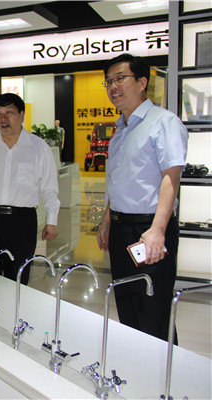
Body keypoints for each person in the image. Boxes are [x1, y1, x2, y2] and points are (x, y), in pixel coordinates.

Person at [96, 53, 188, 342]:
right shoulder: (120, 131)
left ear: (142, 81)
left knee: (153, 308)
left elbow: (171, 178)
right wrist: (107, 220)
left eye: (120, 78)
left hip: (148, 228)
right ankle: (136, 363)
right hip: (121, 229)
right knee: (127, 303)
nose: (113, 86)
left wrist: (158, 230)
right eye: (109, 81)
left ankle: (163, 368)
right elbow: (118, 180)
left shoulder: (163, 122)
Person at [0, 93, 60, 284]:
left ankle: (13, 305)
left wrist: (52, 221)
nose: (3, 118)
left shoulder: (39, 148)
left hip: (22, 221)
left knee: (17, 277)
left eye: (9, 112)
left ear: (22, 115)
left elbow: (50, 188)